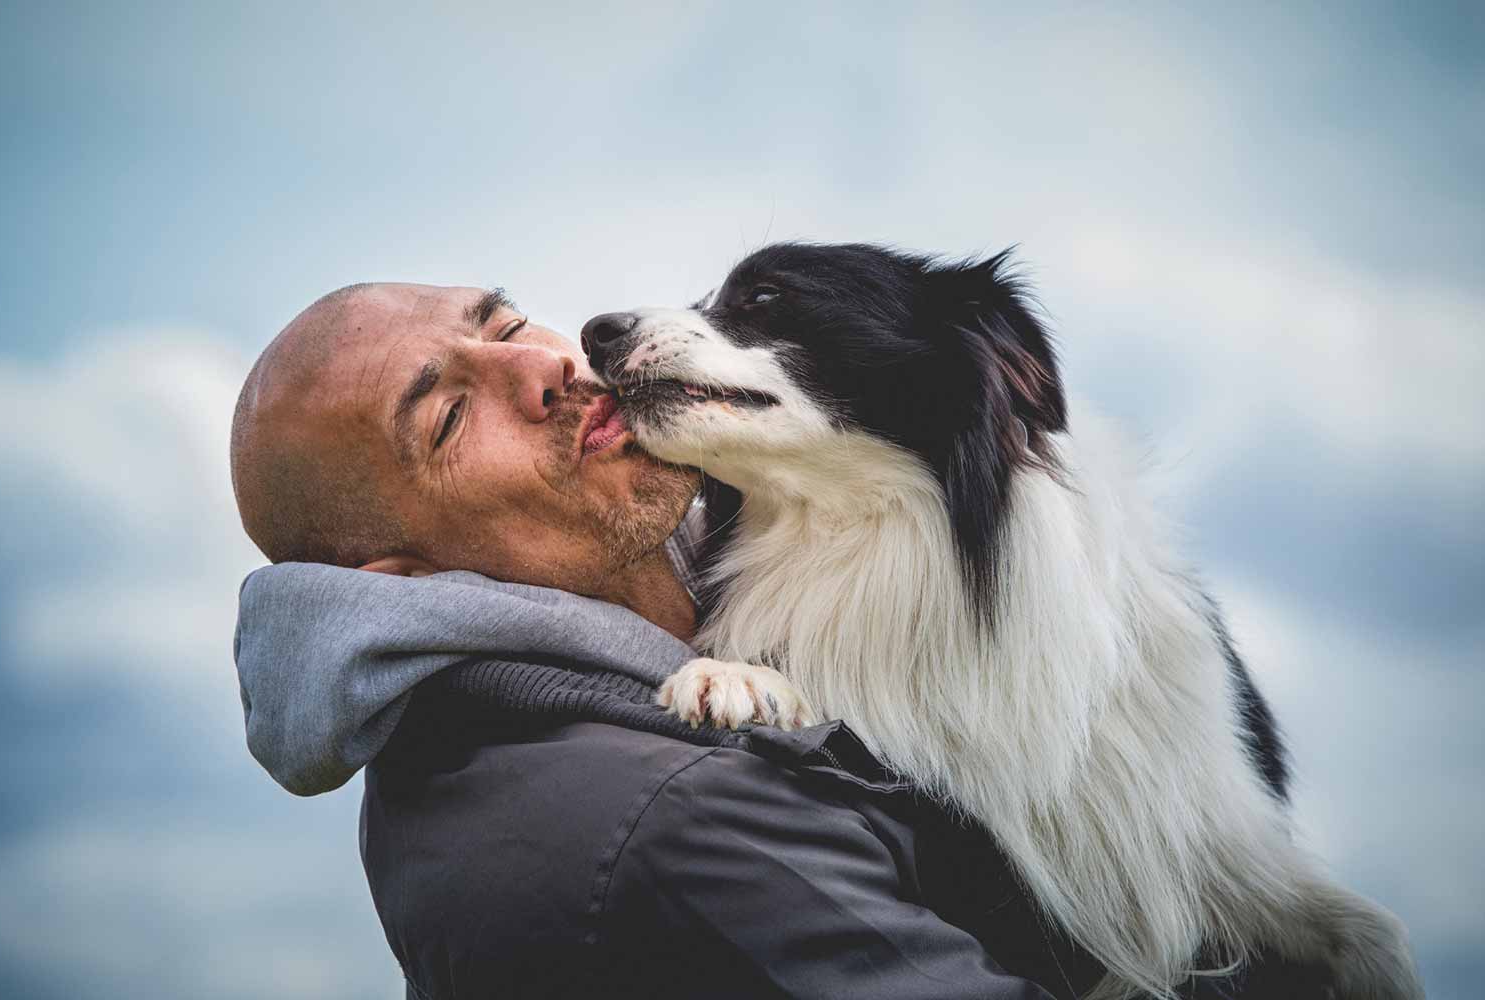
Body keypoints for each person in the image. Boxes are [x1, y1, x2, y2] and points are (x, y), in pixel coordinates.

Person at [229, 283, 1321, 1000]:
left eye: (506, 324)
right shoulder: (652, 823)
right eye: (450, 417)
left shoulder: (741, 585)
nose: (543, 370)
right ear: (406, 581)